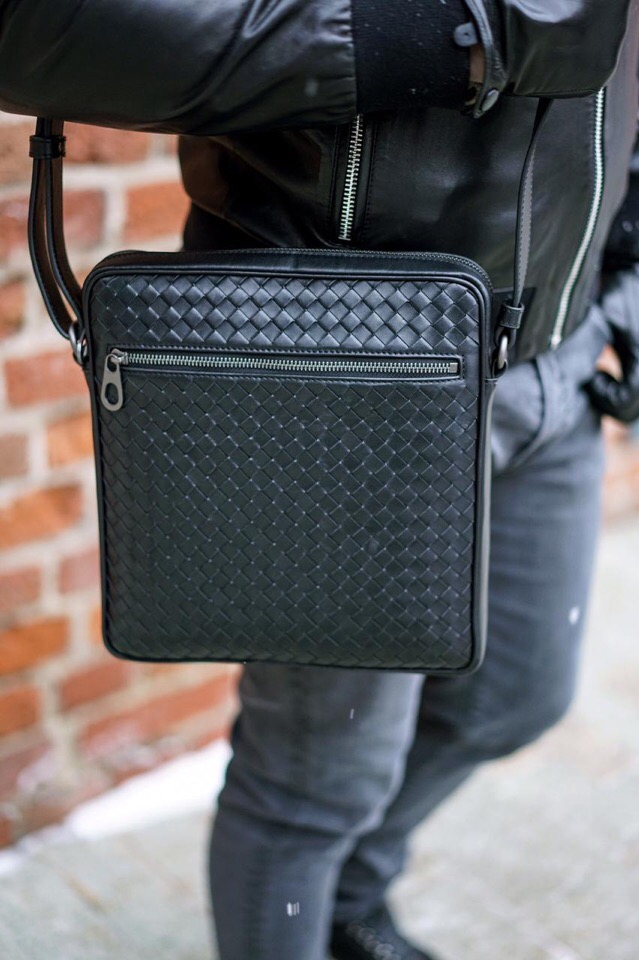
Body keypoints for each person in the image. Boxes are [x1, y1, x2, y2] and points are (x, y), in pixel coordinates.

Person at [2, 3, 639, 958]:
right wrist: (451, 35)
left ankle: (345, 901)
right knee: (313, 784)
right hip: (341, 364)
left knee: (512, 698)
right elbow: (40, 32)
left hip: (559, 348)